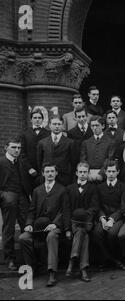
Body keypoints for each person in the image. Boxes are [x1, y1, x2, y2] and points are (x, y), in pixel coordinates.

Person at [19, 163, 69, 287]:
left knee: (51, 237)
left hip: (54, 227)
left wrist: (55, 224)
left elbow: (64, 211)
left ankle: (52, 272)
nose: (50, 174)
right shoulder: (37, 190)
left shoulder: (62, 190)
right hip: (38, 226)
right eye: (47, 171)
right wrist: (29, 224)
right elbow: (32, 211)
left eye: (52, 171)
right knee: (23, 238)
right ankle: (32, 267)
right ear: (43, 173)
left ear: (56, 173)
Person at [0, 138, 32, 271]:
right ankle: (10, 259)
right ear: (6, 148)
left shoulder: (22, 162)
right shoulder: (1, 162)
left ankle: (28, 259)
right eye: (14, 147)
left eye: (19, 148)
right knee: (9, 229)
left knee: (27, 227)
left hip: (23, 198)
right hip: (8, 197)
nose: (17, 150)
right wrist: (3, 196)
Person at [65, 161, 99, 282]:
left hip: (87, 222)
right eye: (80, 172)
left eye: (85, 172)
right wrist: (68, 228)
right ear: (76, 173)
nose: (83, 174)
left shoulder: (93, 188)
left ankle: (72, 260)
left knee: (82, 232)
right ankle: (83, 269)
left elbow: (95, 207)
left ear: (88, 173)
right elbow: (66, 209)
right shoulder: (69, 189)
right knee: (83, 235)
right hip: (73, 222)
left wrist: (85, 214)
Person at [92, 160, 125, 270]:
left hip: (118, 218)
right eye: (109, 171)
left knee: (112, 233)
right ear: (105, 172)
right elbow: (97, 206)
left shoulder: (123, 187)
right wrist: (102, 219)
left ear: (118, 172)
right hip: (103, 217)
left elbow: (123, 207)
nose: (111, 174)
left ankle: (116, 257)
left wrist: (112, 219)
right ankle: (108, 259)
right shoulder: (99, 188)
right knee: (97, 233)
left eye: (113, 171)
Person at [37, 116, 74, 186]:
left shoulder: (70, 142)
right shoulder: (42, 143)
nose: (57, 126)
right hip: (47, 179)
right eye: (54, 124)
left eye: (59, 124)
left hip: (64, 179)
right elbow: (39, 162)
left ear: (62, 126)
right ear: (50, 125)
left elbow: (73, 162)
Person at [19, 107, 50, 189]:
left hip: (44, 170)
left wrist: (45, 169)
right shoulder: (25, 134)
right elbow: (22, 153)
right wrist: (29, 168)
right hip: (29, 170)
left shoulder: (48, 134)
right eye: (35, 118)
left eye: (39, 118)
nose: (37, 120)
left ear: (42, 119)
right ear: (31, 120)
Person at [80, 116, 114, 182]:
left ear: (103, 126)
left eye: (97, 125)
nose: (94, 128)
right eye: (92, 126)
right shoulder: (86, 142)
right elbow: (83, 159)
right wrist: (88, 173)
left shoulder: (110, 142)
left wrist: (101, 174)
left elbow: (109, 159)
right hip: (89, 176)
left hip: (104, 176)